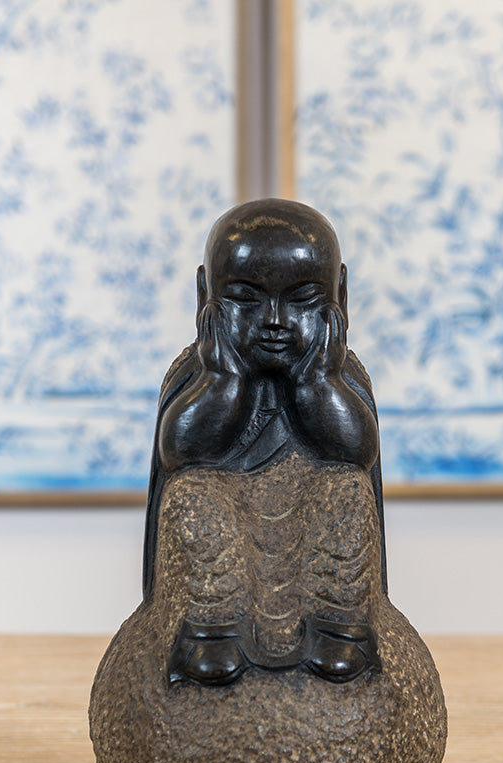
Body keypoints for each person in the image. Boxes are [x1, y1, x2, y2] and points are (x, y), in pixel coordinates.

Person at [141, 199, 388, 685]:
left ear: (340, 295)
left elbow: (357, 450)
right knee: (194, 498)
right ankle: (212, 631)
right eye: (247, 299)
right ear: (204, 297)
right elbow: (179, 451)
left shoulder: (339, 373)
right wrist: (226, 379)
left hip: (311, 532)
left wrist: (316, 382)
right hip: (228, 542)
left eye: (301, 301)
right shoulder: (200, 372)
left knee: (346, 493)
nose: (274, 320)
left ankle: (338, 627)